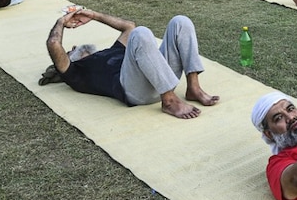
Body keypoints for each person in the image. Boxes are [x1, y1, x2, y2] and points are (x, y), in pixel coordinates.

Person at [45, 9, 219, 119]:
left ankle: (193, 88)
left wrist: (94, 15)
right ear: (69, 58)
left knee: (180, 21)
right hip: (135, 91)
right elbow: (54, 43)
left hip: (160, 77)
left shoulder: (110, 51)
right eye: (69, 51)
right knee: (140, 34)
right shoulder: (75, 72)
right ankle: (169, 101)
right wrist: (61, 22)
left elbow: (129, 26)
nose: (74, 47)